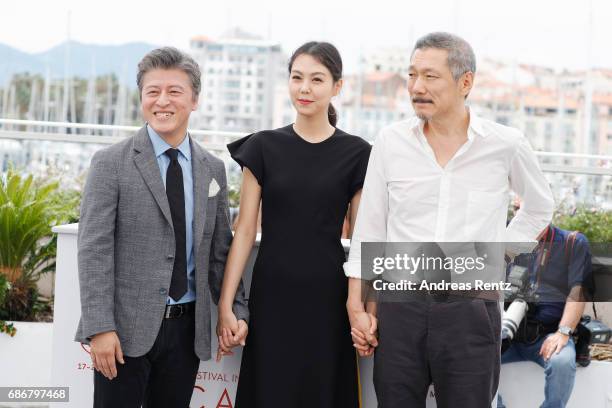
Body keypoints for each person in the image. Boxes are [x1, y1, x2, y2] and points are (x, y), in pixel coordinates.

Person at [346, 32, 555, 408]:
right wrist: (356, 305)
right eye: (412, 75)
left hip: (471, 310)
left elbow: (540, 206)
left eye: (430, 76)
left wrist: (499, 254)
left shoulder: (505, 144)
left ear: (466, 82)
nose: (416, 87)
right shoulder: (391, 142)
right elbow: (370, 227)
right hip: (399, 306)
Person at [75, 47, 248, 408]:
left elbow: (219, 252)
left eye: (174, 91)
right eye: (153, 91)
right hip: (121, 332)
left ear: (194, 99)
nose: (162, 101)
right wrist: (100, 328)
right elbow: (93, 251)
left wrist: (236, 311)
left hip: (187, 332)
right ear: (141, 99)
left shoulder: (212, 169)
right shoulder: (111, 163)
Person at [217, 41, 372, 408]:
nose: (305, 88)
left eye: (317, 79)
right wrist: (227, 304)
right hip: (271, 295)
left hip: (328, 300)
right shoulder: (262, 147)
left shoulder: (357, 154)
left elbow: (365, 238)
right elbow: (243, 233)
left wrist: (364, 308)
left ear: (337, 87)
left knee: (322, 393)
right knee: (271, 391)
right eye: (297, 77)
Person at [498, 224, 592, 408]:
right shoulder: (507, 240)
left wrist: (563, 332)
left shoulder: (572, 243)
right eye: (518, 209)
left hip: (548, 335)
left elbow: (579, 291)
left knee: (562, 362)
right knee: (465, 359)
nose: (523, 216)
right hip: (507, 334)